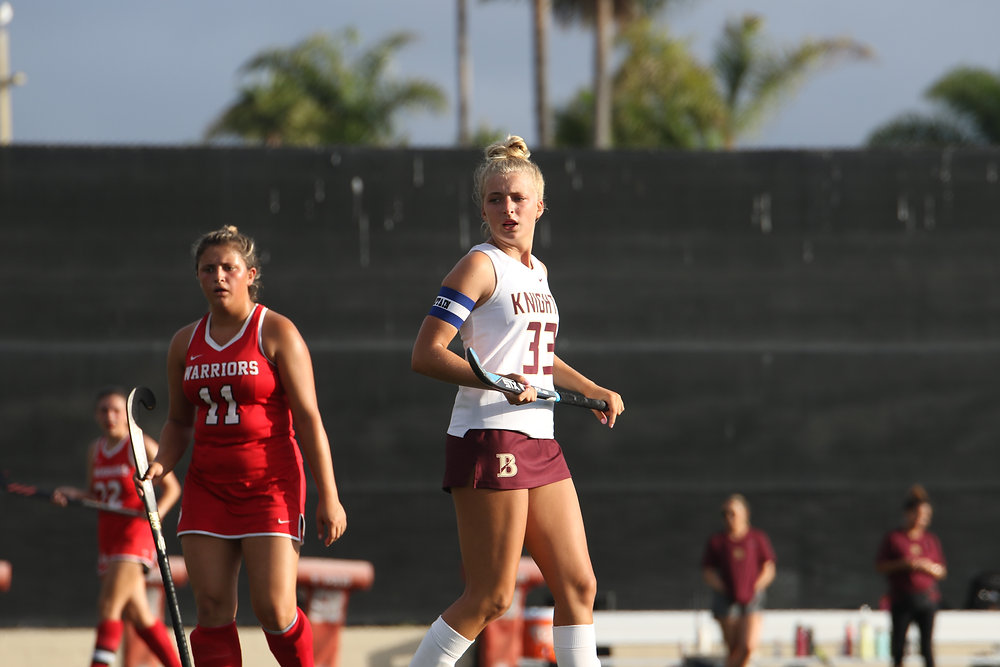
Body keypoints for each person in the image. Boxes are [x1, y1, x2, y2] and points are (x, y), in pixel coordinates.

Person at [409, 135, 625, 667]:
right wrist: (498, 383)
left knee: (578, 584)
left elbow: (536, 357)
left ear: (540, 205)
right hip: (489, 436)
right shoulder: (479, 266)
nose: (508, 209)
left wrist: (590, 388)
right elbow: (426, 353)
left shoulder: (538, 272)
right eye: (495, 199)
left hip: (539, 437)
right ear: (482, 208)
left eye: (518, 198)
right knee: (491, 596)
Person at [140, 225, 348, 667]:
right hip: (207, 487)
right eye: (208, 269)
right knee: (213, 609)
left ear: (250, 274)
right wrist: (160, 464)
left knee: (275, 609)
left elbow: (309, 420)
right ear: (197, 277)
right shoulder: (185, 342)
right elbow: (179, 421)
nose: (218, 276)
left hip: (270, 484)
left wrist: (329, 496)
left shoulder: (276, 331)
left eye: (228, 268)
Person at [53, 385, 183, 667]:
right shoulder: (95, 450)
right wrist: (72, 495)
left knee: (108, 606)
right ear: (96, 416)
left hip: (134, 536)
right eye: (103, 410)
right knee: (139, 615)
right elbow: (95, 494)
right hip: (109, 537)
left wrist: (155, 516)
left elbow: (172, 488)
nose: (110, 416)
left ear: (126, 415)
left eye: (116, 410)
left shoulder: (138, 445)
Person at [700, 494, 776, 667]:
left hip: (752, 599)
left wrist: (754, 587)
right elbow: (708, 571)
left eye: (733, 513)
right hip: (727, 600)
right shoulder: (717, 542)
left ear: (745, 514)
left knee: (748, 646)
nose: (729, 518)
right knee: (734, 650)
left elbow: (769, 568)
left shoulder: (757, 539)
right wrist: (724, 588)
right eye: (725, 513)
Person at [875, 484, 947, 667]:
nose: (922, 519)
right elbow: (881, 566)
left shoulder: (930, 540)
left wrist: (927, 567)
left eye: (926, 516)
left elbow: (941, 570)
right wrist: (905, 564)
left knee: (926, 648)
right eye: (918, 514)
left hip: (926, 599)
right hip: (902, 598)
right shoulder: (895, 538)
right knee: (898, 647)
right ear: (908, 513)